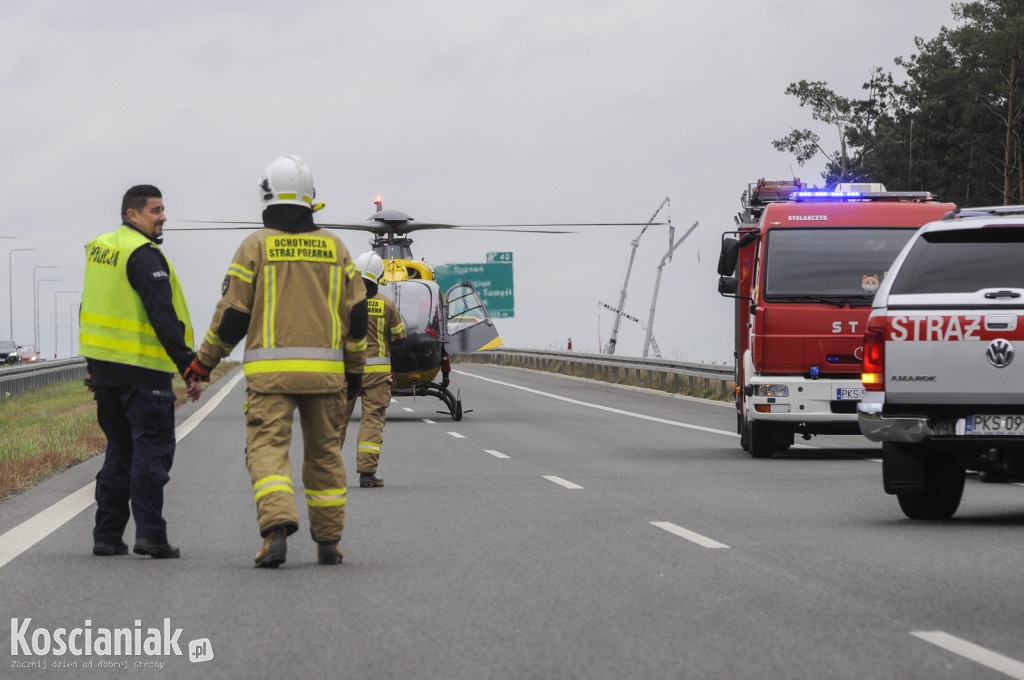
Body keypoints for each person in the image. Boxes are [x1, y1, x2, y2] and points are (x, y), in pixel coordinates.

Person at [185, 155, 368, 568]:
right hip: (326, 378)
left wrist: (203, 364)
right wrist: (354, 370)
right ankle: (329, 542)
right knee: (324, 454)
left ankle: (276, 529)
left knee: (267, 450)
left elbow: (232, 317)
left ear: (266, 195)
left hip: (270, 378)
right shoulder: (336, 248)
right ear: (311, 198)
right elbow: (357, 317)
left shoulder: (255, 246)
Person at [80, 184, 201, 560]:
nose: (163, 217)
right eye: (155, 210)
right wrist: (188, 365)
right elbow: (162, 315)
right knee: (151, 451)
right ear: (132, 215)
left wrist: (93, 367)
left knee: (119, 452)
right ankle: (151, 535)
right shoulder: (143, 255)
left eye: (163, 209)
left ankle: (107, 536)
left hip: (107, 373)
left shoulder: (101, 249)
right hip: (144, 372)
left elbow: (89, 308)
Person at [343, 252, 406, 488]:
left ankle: (323, 473)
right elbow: (400, 337)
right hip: (377, 376)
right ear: (379, 278)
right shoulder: (387, 304)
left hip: (346, 372)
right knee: (372, 422)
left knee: (335, 422)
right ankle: (367, 474)